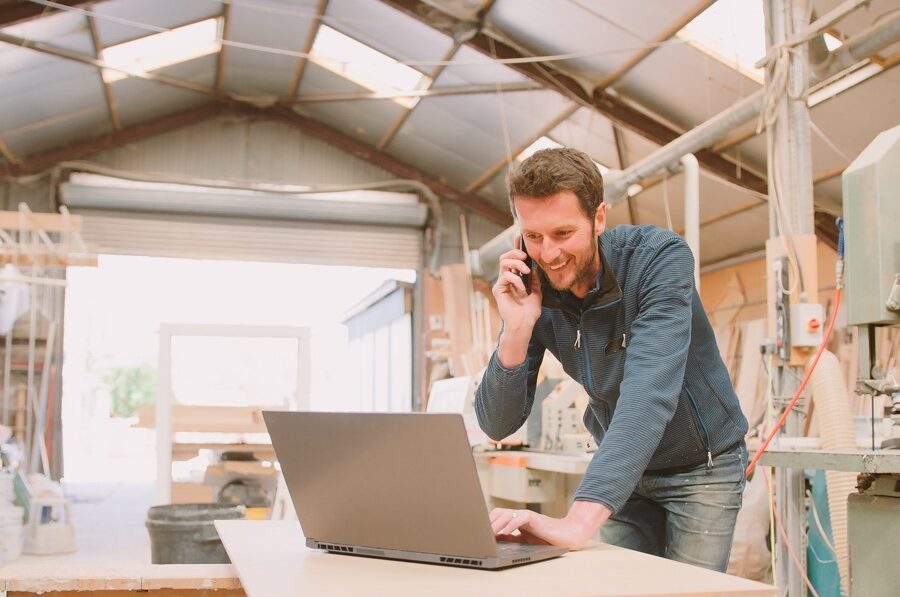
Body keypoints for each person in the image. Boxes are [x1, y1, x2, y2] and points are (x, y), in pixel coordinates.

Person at [474, 147, 749, 572]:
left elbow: (648, 394)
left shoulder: (658, 260)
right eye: (534, 237)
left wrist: (578, 522)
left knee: (691, 590)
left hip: (700, 468)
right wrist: (516, 328)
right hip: (625, 472)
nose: (548, 254)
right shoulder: (532, 286)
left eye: (563, 234)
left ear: (598, 218)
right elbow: (497, 423)